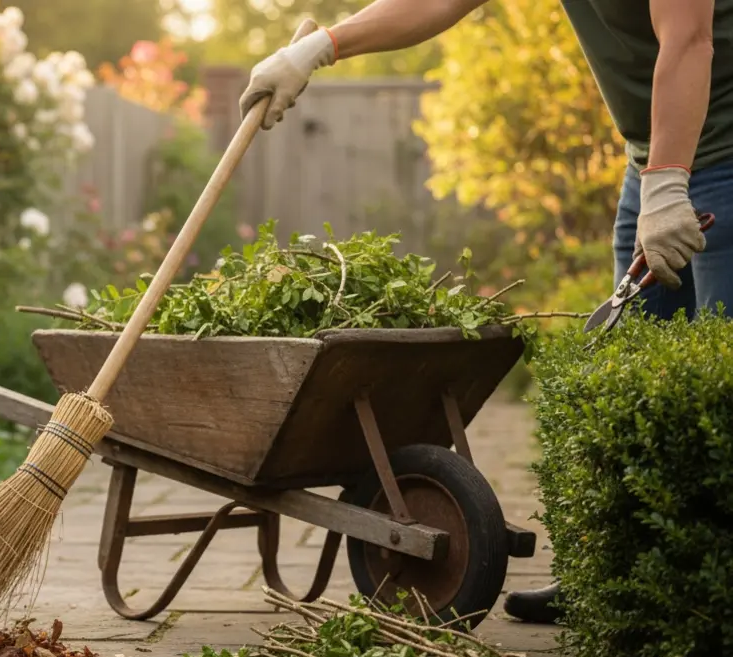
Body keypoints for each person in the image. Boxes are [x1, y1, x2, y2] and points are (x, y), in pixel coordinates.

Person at [241, 0, 730, 623]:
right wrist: (317, 49)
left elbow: (687, 37)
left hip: (712, 160)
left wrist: (669, 181)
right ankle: (621, 580)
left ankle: (710, 612)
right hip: (655, 158)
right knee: (633, 375)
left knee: (718, 381)